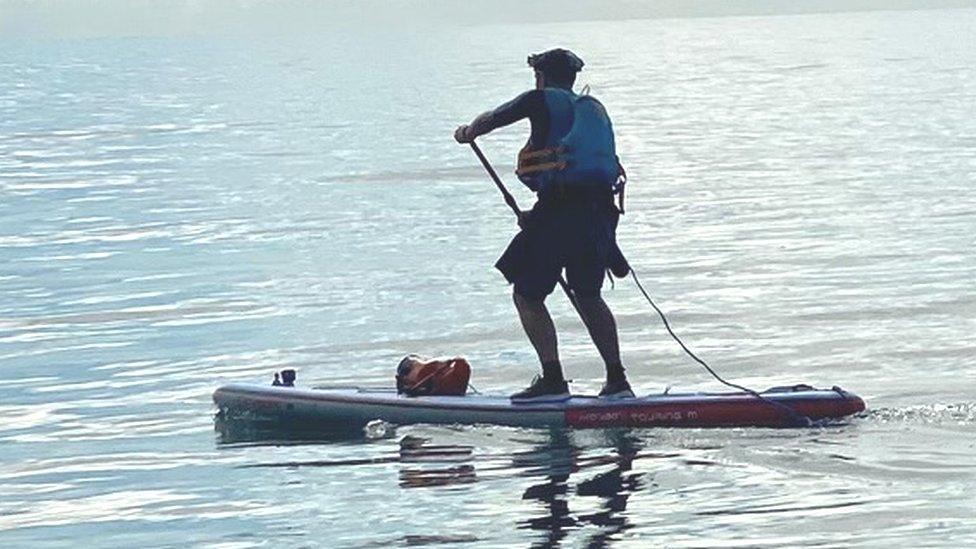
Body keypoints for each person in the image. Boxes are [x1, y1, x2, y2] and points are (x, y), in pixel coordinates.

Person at [454, 48, 634, 402]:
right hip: (598, 215)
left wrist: (467, 132)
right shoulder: (589, 110)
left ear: (541, 76)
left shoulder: (539, 100)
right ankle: (617, 381)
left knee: (527, 294)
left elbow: (494, 118)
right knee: (588, 294)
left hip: (560, 213)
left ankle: (553, 379)